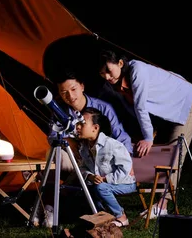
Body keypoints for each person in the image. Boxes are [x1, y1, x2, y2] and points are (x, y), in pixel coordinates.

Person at [98, 48, 192, 216]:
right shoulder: (116, 85)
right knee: (159, 153)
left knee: (175, 154)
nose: (108, 78)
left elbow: (140, 106)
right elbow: (132, 109)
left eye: (109, 71)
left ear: (120, 63)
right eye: (103, 74)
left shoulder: (137, 71)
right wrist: (147, 132)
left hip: (186, 102)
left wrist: (148, 137)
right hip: (165, 111)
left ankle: (162, 206)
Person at [34, 69, 134, 227]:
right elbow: (53, 136)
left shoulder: (103, 108)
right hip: (75, 156)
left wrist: (128, 161)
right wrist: (69, 140)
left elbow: (121, 136)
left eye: (73, 89)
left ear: (82, 86)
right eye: (64, 92)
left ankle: (62, 202)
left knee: (85, 176)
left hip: (99, 160)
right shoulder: (60, 111)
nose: (70, 96)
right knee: (54, 154)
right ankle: (49, 206)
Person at [76, 106, 137, 228]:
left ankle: (121, 216)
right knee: (89, 187)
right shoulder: (84, 147)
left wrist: (105, 179)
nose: (78, 127)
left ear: (95, 128)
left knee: (100, 188)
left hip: (124, 183)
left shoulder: (112, 144)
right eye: (77, 123)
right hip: (100, 183)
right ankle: (102, 215)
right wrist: (90, 176)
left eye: (82, 123)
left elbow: (125, 168)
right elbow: (81, 167)